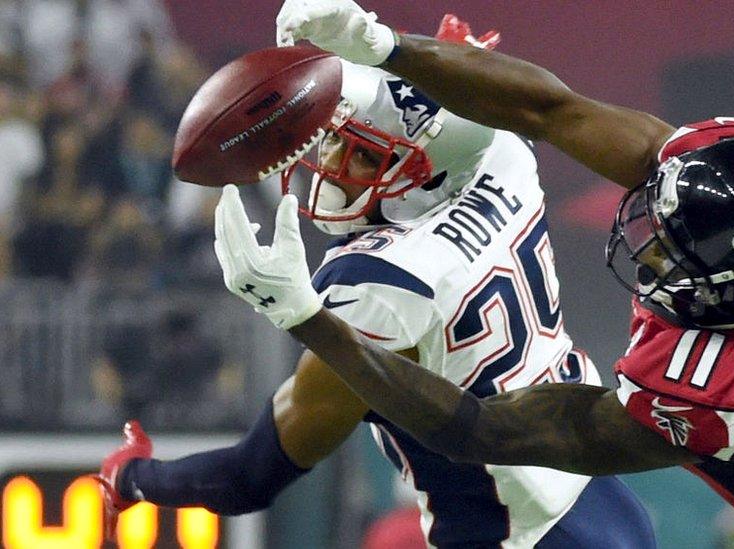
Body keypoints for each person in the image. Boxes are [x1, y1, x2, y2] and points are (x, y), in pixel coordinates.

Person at [203, 2, 734, 547]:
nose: (653, 246)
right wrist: (383, 45)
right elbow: (549, 110)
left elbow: (480, 429)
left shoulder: (718, 383)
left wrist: (308, 316)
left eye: (680, 248)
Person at [97, 18, 659, 548]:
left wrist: (135, 477)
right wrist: (372, 43)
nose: (330, 158)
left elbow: (249, 477)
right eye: (339, 138)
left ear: (421, 171)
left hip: (514, 530)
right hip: (607, 500)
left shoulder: (376, 287)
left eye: (365, 152)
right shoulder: (503, 155)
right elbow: (468, 100)